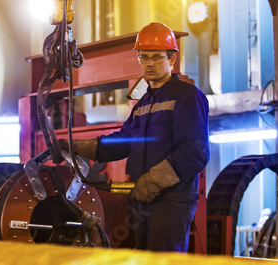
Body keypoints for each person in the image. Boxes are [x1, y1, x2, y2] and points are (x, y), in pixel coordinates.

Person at [62, 22, 210, 252]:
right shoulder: (143, 104)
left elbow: (195, 151)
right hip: (142, 200)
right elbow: (124, 141)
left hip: (171, 202)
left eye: (156, 57)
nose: (149, 63)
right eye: (143, 57)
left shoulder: (187, 96)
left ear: (171, 59)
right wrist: (79, 146)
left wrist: (152, 182)